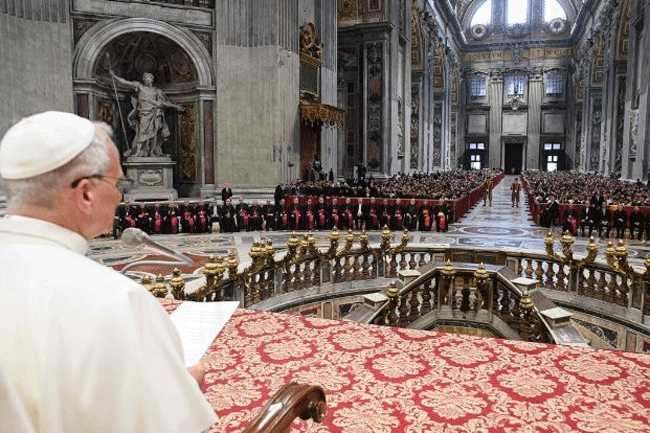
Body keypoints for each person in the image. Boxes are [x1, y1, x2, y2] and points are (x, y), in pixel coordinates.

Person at [0, 111, 217, 432]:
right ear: (86, 193)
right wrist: (184, 387)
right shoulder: (116, 300)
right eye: (118, 183)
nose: (120, 196)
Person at [109, 71, 185, 158]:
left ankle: (152, 152)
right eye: (145, 78)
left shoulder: (157, 91)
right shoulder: (140, 87)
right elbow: (126, 82)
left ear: (152, 79)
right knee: (142, 132)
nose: (146, 79)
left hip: (154, 113)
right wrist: (114, 76)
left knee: (154, 135)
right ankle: (138, 152)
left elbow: (163, 102)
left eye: (148, 77)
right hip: (144, 113)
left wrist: (175, 106)